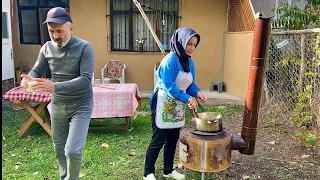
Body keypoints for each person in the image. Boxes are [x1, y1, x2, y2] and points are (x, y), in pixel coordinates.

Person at [20, 7, 94, 180]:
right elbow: (37, 70)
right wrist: (28, 79)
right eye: (51, 31)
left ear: (71, 28)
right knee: (59, 148)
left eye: (60, 31)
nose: (55, 36)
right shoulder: (47, 48)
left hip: (81, 104)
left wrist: (54, 87)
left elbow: (85, 80)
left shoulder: (84, 48)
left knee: (72, 150)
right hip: (58, 105)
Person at [143, 27, 207, 180]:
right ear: (181, 42)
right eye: (189, 44)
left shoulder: (189, 62)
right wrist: (187, 99)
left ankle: (168, 170)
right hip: (163, 103)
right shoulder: (170, 61)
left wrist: (197, 93)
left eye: (194, 45)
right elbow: (169, 86)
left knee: (172, 139)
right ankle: (148, 172)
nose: (191, 48)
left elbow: (189, 84)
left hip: (177, 104)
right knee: (158, 139)